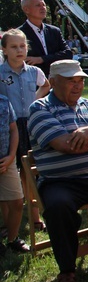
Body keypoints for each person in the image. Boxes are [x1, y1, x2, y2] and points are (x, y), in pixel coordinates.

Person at [28, 60, 88, 282]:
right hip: (61, 181)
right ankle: (67, 271)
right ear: (53, 82)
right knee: (58, 207)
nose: (77, 86)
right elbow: (66, 145)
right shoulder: (39, 109)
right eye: (71, 81)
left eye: (80, 81)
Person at [0, 29, 50, 232]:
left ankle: (35, 216)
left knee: (30, 172)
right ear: (4, 50)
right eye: (13, 47)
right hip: (8, 128)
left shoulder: (34, 71)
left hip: (29, 124)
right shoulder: (1, 73)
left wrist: (34, 100)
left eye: (22, 46)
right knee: (8, 170)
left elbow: (45, 86)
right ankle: (7, 220)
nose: (19, 50)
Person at [0, 91, 27, 256]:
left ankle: (12, 239)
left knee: (17, 202)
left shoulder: (3, 101)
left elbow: (13, 130)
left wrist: (11, 157)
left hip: (6, 160)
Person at [18, 0, 73, 76]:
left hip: (56, 81)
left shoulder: (54, 31)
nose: (43, 7)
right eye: (38, 5)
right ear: (26, 10)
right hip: (32, 82)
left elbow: (68, 53)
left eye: (43, 4)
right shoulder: (19, 35)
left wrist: (42, 59)